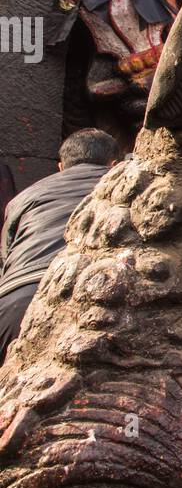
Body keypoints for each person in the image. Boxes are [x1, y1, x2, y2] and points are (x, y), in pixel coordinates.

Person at [0, 128, 119, 361]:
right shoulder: (122, 185)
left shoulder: (24, 198)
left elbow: (6, 259)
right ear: (114, 165)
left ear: (61, 167)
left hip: (15, 300)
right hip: (93, 294)